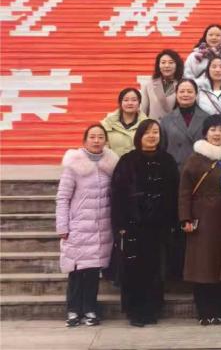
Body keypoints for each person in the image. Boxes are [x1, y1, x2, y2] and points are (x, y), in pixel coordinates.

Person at [110, 119, 179, 327]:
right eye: (147, 132)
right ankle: (135, 311)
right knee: (133, 269)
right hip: (133, 225)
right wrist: (120, 225)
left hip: (158, 226)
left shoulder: (167, 161)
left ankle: (152, 309)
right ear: (139, 136)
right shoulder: (127, 161)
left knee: (155, 269)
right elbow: (117, 195)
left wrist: (172, 222)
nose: (151, 136)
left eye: (155, 132)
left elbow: (174, 194)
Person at [177, 115, 221, 325]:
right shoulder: (195, 159)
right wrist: (185, 218)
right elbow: (184, 192)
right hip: (202, 219)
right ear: (205, 132)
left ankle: (219, 310)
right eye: (213, 129)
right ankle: (204, 311)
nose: (217, 134)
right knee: (202, 265)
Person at [56, 124, 118, 327]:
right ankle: (73, 310)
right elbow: (63, 197)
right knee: (75, 271)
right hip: (78, 227)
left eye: (100, 137)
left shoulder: (111, 164)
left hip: (101, 227)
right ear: (85, 140)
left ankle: (90, 309)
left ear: (106, 140)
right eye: (92, 137)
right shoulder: (74, 165)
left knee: (92, 271)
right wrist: (62, 226)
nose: (96, 140)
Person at [162, 79, 210, 169]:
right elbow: (162, 148)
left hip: (200, 169)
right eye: (182, 91)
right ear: (176, 94)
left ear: (196, 94)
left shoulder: (207, 118)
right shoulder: (166, 120)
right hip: (174, 169)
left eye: (189, 91)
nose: (185, 94)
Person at [100, 87, 149, 157]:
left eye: (134, 100)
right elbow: (103, 149)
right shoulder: (107, 123)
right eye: (126, 100)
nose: (130, 103)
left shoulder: (147, 124)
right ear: (120, 103)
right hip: (113, 163)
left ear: (139, 103)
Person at [141, 49, 184, 121]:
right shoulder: (149, 85)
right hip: (154, 126)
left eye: (171, 62)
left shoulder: (183, 84)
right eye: (163, 62)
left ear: (177, 65)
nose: (167, 66)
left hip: (176, 126)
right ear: (158, 65)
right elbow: (143, 112)